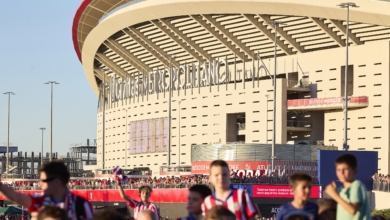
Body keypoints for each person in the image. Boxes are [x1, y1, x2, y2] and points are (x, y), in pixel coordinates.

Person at [0, 161, 93, 220]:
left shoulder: (81, 205)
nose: (39, 183)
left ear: (57, 182)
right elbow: (15, 196)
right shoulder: (39, 201)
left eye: (43, 180)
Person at [324, 153, 371, 220]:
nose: (341, 173)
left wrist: (334, 195)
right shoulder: (340, 189)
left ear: (355, 170)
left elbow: (353, 210)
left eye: (345, 169)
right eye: (338, 170)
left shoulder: (356, 185)